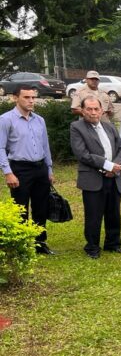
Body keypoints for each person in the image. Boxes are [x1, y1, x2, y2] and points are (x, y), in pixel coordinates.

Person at [0, 85, 55, 254]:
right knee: (21, 208)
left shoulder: (39, 120)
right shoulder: (6, 120)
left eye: (33, 97)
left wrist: (49, 169)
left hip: (40, 168)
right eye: (26, 97)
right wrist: (8, 172)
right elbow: (1, 148)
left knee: (41, 207)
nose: (31, 101)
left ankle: (40, 243)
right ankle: (22, 245)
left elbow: (45, 146)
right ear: (15, 98)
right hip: (20, 169)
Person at [70, 96, 121, 258]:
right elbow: (82, 154)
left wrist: (115, 166)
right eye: (89, 109)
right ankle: (92, 247)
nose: (93, 112)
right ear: (82, 110)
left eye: (96, 109)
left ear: (102, 110)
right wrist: (108, 166)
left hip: (113, 178)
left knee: (113, 213)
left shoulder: (110, 127)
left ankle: (113, 244)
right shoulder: (77, 127)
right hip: (93, 179)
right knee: (94, 215)